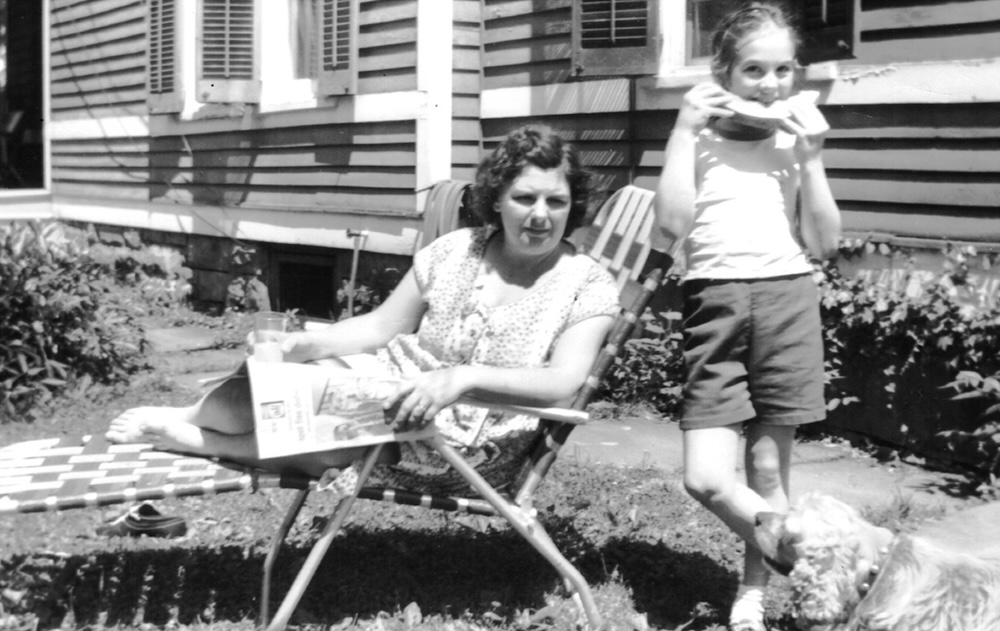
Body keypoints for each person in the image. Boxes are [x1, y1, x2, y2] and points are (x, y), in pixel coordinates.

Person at [107, 124, 621, 496]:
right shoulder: (459, 250)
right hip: (391, 393)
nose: (539, 216)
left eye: (555, 202)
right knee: (280, 371)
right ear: (498, 200)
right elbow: (380, 327)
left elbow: (562, 381)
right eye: (524, 198)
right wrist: (303, 343)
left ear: (572, 206)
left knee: (322, 422)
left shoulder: (587, 285)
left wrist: (461, 379)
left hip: (471, 444)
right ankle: (191, 417)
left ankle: (197, 439)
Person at [653, 4, 841, 631]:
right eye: (754, 70)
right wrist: (681, 132)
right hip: (717, 303)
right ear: (723, 73)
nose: (770, 84)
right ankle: (811, 557)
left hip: (787, 297)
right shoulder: (697, 136)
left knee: (766, 468)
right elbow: (672, 227)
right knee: (706, 478)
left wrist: (812, 158)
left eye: (783, 69)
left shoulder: (793, 140)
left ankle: (752, 596)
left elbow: (824, 243)